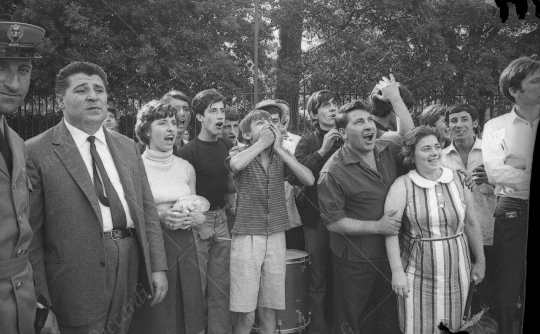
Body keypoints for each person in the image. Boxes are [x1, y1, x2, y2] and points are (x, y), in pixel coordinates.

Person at [26, 61, 168, 334]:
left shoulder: (127, 147)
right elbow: (30, 237)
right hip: (73, 278)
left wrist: (157, 266)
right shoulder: (36, 152)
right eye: (81, 90)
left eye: (99, 90)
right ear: (60, 101)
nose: (93, 96)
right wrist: (40, 302)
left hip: (129, 264)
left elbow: (147, 211)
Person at [384, 126, 485, 334]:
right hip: (417, 275)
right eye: (426, 149)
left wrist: (481, 260)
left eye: (437, 147)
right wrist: (397, 272)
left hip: (458, 273)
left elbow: (471, 223)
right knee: (419, 327)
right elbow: (390, 231)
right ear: (411, 156)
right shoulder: (402, 185)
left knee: (451, 327)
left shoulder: (458, 179)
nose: (434, 153)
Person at [225, 109, 314, 334]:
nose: (267, 126)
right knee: (245, 311)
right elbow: (235, 165)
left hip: (276, 234)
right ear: (246, 135)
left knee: (270, 308)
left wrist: (279, 150)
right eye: (259, 124)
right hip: (247, 236)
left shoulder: (280, 157)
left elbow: (309, 179)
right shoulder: (239, 151)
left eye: (271, 122)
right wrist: (262, 144)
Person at [317, 99, 403, 334]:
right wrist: (378, 227)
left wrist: (395, 98)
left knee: (388, 319)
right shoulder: (332, 172)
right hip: (354, 261)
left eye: (369, 120)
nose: (368, 126)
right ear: (343, 133)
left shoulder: (387, 150)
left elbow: (412, 137)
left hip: (390, 255)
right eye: (359, 122)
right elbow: (334, 222)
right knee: (350, 321)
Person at [127, 99, 205, 334]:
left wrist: (195, 218)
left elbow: (199, 213)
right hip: (151, 250)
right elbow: (129, 216)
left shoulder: (186, 167)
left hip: (185, 247)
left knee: (187, 318)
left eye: (173, 122)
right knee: (156, 320)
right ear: (146, 130)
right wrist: (159, 217)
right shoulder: (134, 166)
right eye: (162, 123)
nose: (171, 128)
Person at [482, 56, 539, 334]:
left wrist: (518, 162)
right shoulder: (496, 127)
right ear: (516, 91)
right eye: (536, 81)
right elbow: (497, 174)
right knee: (507, 283)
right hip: (511, 208)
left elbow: (509, 170)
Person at [176, 88, 235, 334]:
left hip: (222, 219)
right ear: (199, 117)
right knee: (196, 288)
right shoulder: (188, 153)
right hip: (196, 223)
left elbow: (229, 184)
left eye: (222, 110)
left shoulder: (226, 144)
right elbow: (180, 199)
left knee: (221, 288)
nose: (220, 116)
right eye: (213, 111)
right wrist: (201, 225)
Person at [0, 21, 44, 334]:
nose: (13, 83)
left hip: (20, 307)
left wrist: (37, 308)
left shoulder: (16, 141)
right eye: (0, 67)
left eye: (24, 69)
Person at [287, 89, 342, 334]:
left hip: (345, 219)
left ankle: (342, 326)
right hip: (316, 219)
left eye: (335, 104)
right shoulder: (307, 141)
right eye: (326, 105)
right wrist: (322, 151)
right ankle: (318, 328)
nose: (332, 109)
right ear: (313, 113)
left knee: (343, 278)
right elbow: (294, 176)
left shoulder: (349, 135)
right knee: (317, 278)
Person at [441, 103, 497, 308]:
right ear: (448, 126)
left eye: (464, 119)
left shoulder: (493, 152)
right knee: (460, 294)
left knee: (491, 292)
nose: (458, 124)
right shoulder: (441, 157)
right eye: (453, 121)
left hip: (490, 232)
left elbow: (515, 187)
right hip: (457, 236)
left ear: (475, 123)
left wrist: (492, 180)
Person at [256, 99, 304, 250]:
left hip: (287, 216)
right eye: (262, 121)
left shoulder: (287, 149)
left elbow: (305, 179)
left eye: (275, 120)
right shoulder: (242, 152)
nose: (270, 126)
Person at [139, 90, 191, 155]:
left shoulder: (193, 150)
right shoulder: (138, 151)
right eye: (176, 109)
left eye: (186, 109)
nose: (182, 113)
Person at [369, 74, 416, 145]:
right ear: (393, 110)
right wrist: (395, 98)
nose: (409, 116)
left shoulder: (375, 127)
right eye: (407, 111)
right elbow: (409, 138)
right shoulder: (372, 129)